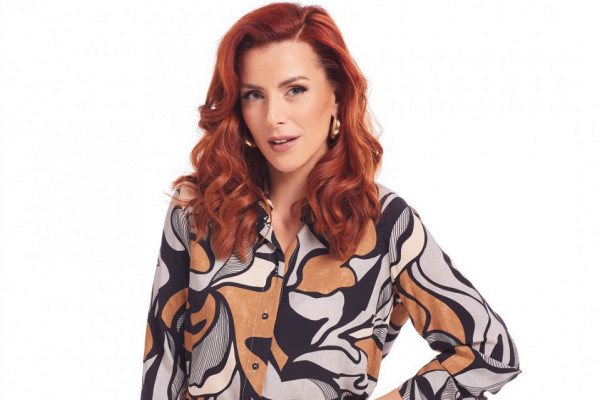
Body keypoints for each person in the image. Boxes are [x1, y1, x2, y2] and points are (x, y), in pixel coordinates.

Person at [140, 3, 521, 400]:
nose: (273, 117)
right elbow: (162, 366)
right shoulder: (197, 209)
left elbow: (490, 354)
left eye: (295, 90)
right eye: (254, 95)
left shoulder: (385, 223)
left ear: (337, 96)